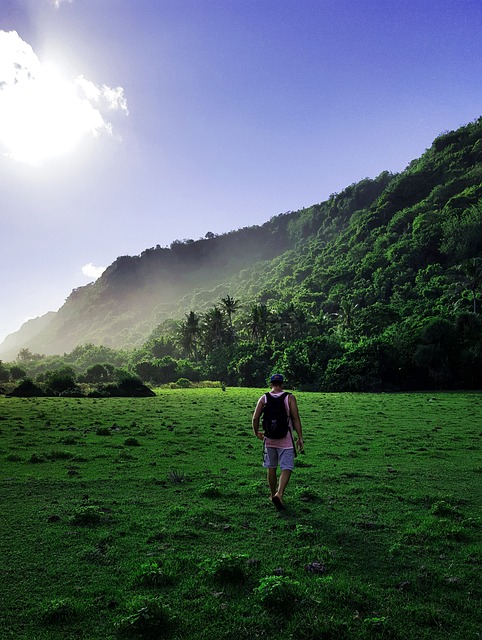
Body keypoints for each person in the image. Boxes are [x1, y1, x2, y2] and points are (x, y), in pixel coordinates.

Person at [252, 373, 304, 511]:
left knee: (271, 467)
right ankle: (279, 494)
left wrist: (256, 432)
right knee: (286, 467)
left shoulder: (264, 398)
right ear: (282, 384)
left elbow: (255, 418)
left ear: (271, 384)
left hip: (269, 439)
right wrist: (300, 437)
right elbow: (296, 418)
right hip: (285, 439)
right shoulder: (289, 397)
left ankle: (272, 494)